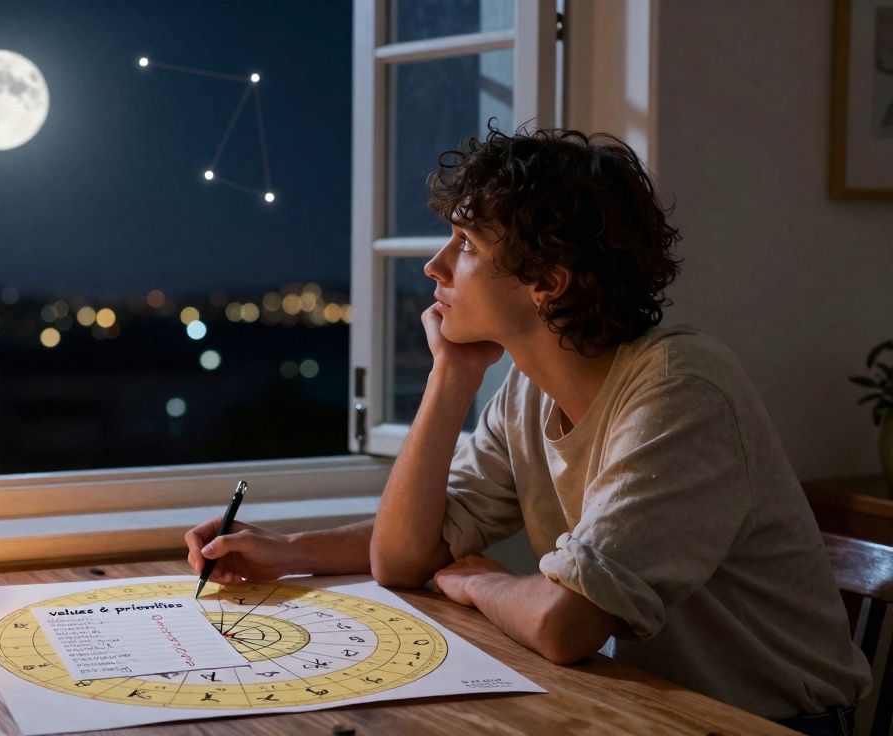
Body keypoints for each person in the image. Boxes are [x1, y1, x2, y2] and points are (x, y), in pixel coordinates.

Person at [185, 127, 870, 734]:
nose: (435, 268)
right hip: (642, 710)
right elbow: (402, 558)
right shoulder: (525, 391)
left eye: (466, 244)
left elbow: (562, 623)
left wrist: (477, 581)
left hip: (770, 723)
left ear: (547, 280)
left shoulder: (681, 389)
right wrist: (448, 379)